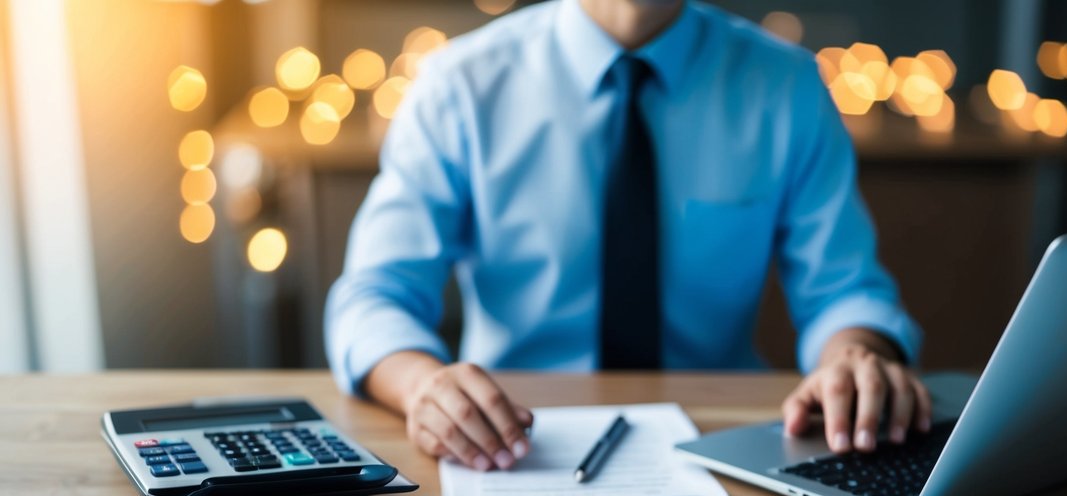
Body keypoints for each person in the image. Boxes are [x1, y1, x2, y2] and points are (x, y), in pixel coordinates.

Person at [326, 0, 931, 472]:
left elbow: (844, 290)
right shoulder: (460, 84)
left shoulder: (788, 84)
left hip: (723, 445)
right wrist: (423, 387)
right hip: (510, 444)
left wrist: (854, 358)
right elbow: (373, 296)